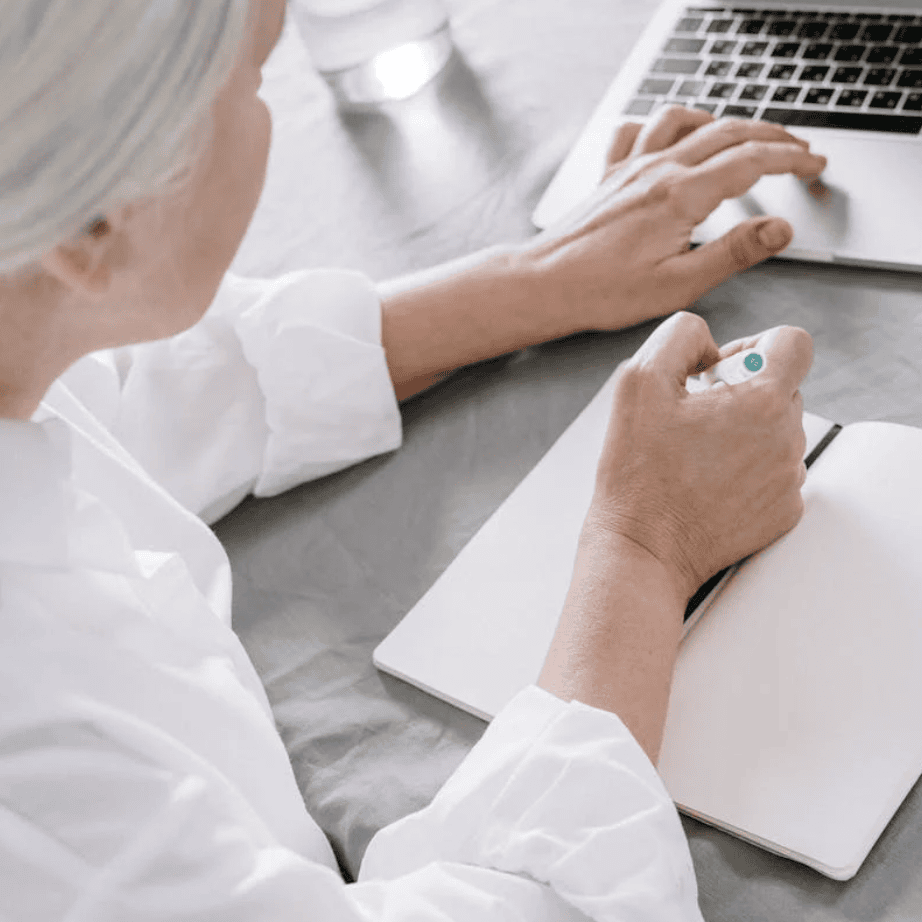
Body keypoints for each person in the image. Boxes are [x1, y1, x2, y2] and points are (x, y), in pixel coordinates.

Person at [0, 1, 819, 919]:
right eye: (257, 75)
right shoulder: (42, 763)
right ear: (89, 225)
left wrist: (536, 281)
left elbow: (119, 379)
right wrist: (648, 543)